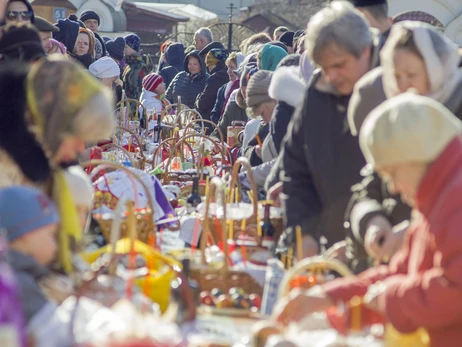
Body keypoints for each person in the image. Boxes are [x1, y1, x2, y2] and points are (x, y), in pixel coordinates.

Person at [274, 93, 462, 347]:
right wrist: (329, 297)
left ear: (417, 156)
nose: (393, 188)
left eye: (392, 173)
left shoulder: (454, 198)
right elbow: (401, 273)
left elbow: (454, 289)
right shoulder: (435, 196)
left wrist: (390, 298)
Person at [341, 21, 462, 269]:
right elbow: (369, 188)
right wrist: (371, 221)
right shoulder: (399, 120)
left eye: (412, 75)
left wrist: (416, 232)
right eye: (396, 76)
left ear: (435, 69)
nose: (404, 86)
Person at [277, 1, 382, 256]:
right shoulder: (317, 95)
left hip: (377, 248)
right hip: (326, 249)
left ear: (365, 52)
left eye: (339, 65)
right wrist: (304, 232)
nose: (331, 76)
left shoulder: (389, 92)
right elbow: (295, 170)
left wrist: (364, 239)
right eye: (324, 68)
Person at [0, 56, 114, 273]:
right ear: (56, 125)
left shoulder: (32, 158)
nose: (82, 148)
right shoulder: (8, 165)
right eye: (78, 136)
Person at [0, 186, 59, 326]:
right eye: (51, 235)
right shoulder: (20, 285)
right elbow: (55, 336)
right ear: (24, 235)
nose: (55, 246)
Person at [195, 48, 229, 127]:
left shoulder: (214, 79)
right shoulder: (229, 75)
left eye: (209, 65)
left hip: (210, 123)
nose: (208, 68)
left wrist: (198, 98)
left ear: (216, 64)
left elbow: (203, 103)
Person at [210, 52, 245, 124]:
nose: (228, 71)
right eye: (227, 67)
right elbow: (215, 113)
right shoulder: (223, 89)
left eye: (232, 67)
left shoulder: (244, 90)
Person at [122, 33, 148, 100]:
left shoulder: (139, 66)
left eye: (126, 47)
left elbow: (138, 92)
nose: (124, 49)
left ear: (133, 47)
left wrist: (133, 109)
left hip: (133, 107)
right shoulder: (130, 64)